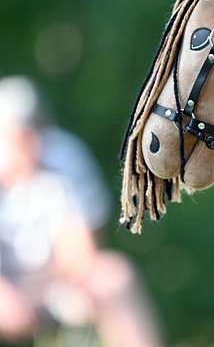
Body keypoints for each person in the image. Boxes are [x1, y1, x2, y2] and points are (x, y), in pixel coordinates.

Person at [0, 75, 164, 346]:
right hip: (7, 286)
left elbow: (82, 253)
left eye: (34, 131)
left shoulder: (64, 155)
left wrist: (54, 291)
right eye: (19, 134)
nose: (31, 141)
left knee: (113, 276)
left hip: (56, 285)